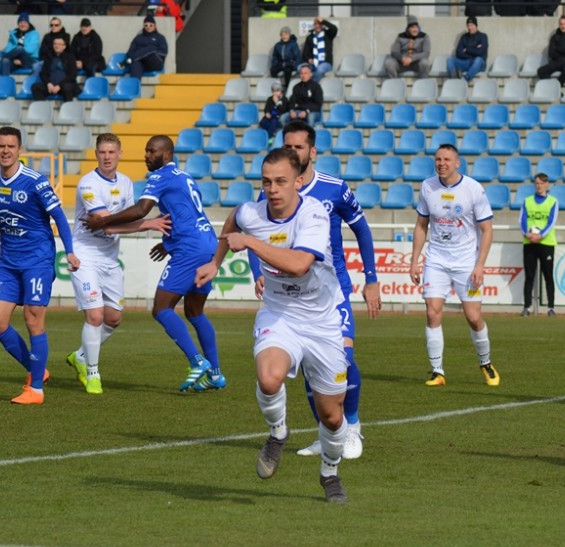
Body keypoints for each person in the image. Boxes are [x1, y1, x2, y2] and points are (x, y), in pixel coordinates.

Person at [194, 147, 350, 504]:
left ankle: (329, 473)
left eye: (281, 181)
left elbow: (299, 264)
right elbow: (234, 219)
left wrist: (250, 242)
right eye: (266, 182)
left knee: (331, 416)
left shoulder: (313, 213)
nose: (273, 189)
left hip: (322, 321)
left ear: (298, 182)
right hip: (280, 314)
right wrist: (216, 262)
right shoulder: (252, 212)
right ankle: (278, 432)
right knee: (268, 378)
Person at [249, 121, 380, 460]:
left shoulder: (333, 189)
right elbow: (253, 230)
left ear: (312, 151)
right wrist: (257, 272)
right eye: (287, 146)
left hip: (332, 291)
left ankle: (352, 427)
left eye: (299, 147)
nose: (293, 152)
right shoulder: (271, 192)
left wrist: (372, 279)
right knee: (311, 366)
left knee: (344, 359)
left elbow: (362, 230)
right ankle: (326, 433)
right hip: (289, 299)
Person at [84, 135, 224, 392]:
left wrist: (102, 221)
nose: (146, 156)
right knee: (195, 312)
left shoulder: (160, 176)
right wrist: (168, 243)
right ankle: (215, 374)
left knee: (161, 309)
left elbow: (141, 210)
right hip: (207, 244)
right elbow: (185, 212)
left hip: (190, 249)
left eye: (151, 151)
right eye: (146, 151)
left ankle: (197, 361)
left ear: (166, 154)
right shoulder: (184, 176)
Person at [0, 126, 80, 405]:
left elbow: (58, 216)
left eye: (11, 146)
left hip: (37, 260)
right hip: (8, 261)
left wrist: (69, 251)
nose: (5, 151)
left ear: (20, 150)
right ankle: (37, 369)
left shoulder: (35, 181)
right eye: (1, 146)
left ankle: (36, 391)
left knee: (33, 319)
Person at [65, 133, 170, 395]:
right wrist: (148, 223)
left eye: (112, 152)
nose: (107, 157)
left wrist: (139, 222)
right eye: (102, 152)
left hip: (109, 258)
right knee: (95, 315)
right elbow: (107, 225)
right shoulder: (88, 184)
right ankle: (92, 373)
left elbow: (124, 220)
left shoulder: (125, 183)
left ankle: (80, 356)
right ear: (96, 154)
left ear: (120, 154)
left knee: (113, 318)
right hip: (85, 255)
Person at [409, 143, 499, 388]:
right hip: (436, 260)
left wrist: (480, 265)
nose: (441, 164)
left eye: (447, 160)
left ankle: (485, 362)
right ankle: (437, 371)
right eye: (438, 159)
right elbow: (421, 225)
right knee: (432, 312)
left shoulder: (473, 189)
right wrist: (415, 260)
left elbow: (487, 229)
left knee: (473, 317)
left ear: (457, 163)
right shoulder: (427, 187)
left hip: (466, 262)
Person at [519, 172, 557, 317]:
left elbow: (551, 221)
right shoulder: (527, 201)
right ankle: (527, 307)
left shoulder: (553, 201)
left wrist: (540, 235)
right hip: (529, 242)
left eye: (541, 183)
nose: (539, 186)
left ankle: (551, 307)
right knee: (529, 275)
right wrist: (526, 234)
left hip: (546, 242)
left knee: (548, 275)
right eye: (537, 183)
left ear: (547, 184)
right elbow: (522, 220)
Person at [31, 35, 80, 101]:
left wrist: (59, 85)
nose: (57, 46)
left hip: (64, 85)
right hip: (51, 86)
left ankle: (68, 106)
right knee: (35, 87)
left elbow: (73, 75)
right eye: (55, 44)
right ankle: (42, 106)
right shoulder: (49, 57)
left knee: (67, 88)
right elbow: (43, 73)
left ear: (64, 46)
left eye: (59, 44)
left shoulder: (70, 57)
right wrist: (48, 83)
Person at [537, 16, 565, 86]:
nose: (563, 26)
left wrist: (558, 48)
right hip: (557, 62)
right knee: (541, 71)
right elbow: (551, 53)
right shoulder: (555, 37)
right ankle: (551, 86)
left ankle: (557, 86)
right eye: (561, 24)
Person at [124, 14, 167, 78]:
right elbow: (130, 51)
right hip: (141, 62)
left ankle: (127, 61)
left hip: (155, 62)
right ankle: (135, 83)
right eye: (146, 25)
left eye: (151, 25)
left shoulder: (160, 37)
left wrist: (150, 52)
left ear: (155, 26)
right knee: (135, 64)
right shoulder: (138, 38)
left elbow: (163, 52)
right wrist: (138, 56)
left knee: (151, 48)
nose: (148, 27)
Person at [447, 16, 488, 82]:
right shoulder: (464, 37)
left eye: (471, 25)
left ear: (476, 26)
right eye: (468, 25)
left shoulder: (483, 36)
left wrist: (467, 50)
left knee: (478, 59)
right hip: (466, 62)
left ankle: (466, 79)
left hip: (479, 64)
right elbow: (458, 53)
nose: (470, 28)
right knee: (450, 60)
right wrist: (475, 49)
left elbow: (480, 52)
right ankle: (454, 80)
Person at [299, 16, 337, 82]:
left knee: (319, 69)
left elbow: (334, 29)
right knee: (300, 68)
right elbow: (305, 53)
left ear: (322, 25)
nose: (318, 26)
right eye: (316, 24)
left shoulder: (328, 35)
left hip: (326, 63)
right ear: (314, 26)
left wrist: (323, 21)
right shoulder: (310, 37)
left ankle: (313, 85)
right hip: (313, 64)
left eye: (320, 24)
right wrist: (309, 59)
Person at [269, 25, 300, 90]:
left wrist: (296, 65)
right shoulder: (278, 45)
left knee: (287, 71)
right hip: (281, 63)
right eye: (282, 35)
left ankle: (287, 87)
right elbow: (275, 56)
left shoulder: (293, 44)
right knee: (273, 70)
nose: (284, 36)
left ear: (289, 35)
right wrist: (275, 64)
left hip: (290, 64)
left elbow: (297, 56)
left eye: (286, 34)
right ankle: (277, 85)